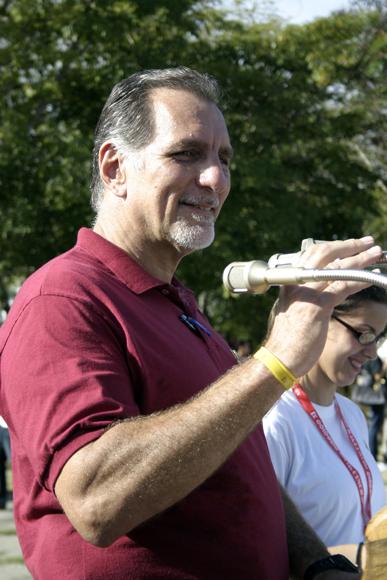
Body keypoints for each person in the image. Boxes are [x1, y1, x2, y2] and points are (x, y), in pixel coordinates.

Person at [0, 66, 381, 579]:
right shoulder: (61, 297)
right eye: (187, 154)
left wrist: (317, 564)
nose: (216, 179)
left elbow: (236, 467)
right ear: (115, 168)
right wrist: (276, 360)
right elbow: (96, 498)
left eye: (224, 159)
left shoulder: (181, 305)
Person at [263, 286, 387, 549]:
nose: (372, 352)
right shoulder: (275, 420)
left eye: (377, 338)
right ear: (316, 319)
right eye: (364, 334)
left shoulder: (352, 414)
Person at [0, 416, 11, 509]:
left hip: (1, 457)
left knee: (2, 480)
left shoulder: (3, 430)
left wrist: (8, 457)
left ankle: (2, 501)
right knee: (2, 480)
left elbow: (5, 443)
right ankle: (2, 501)